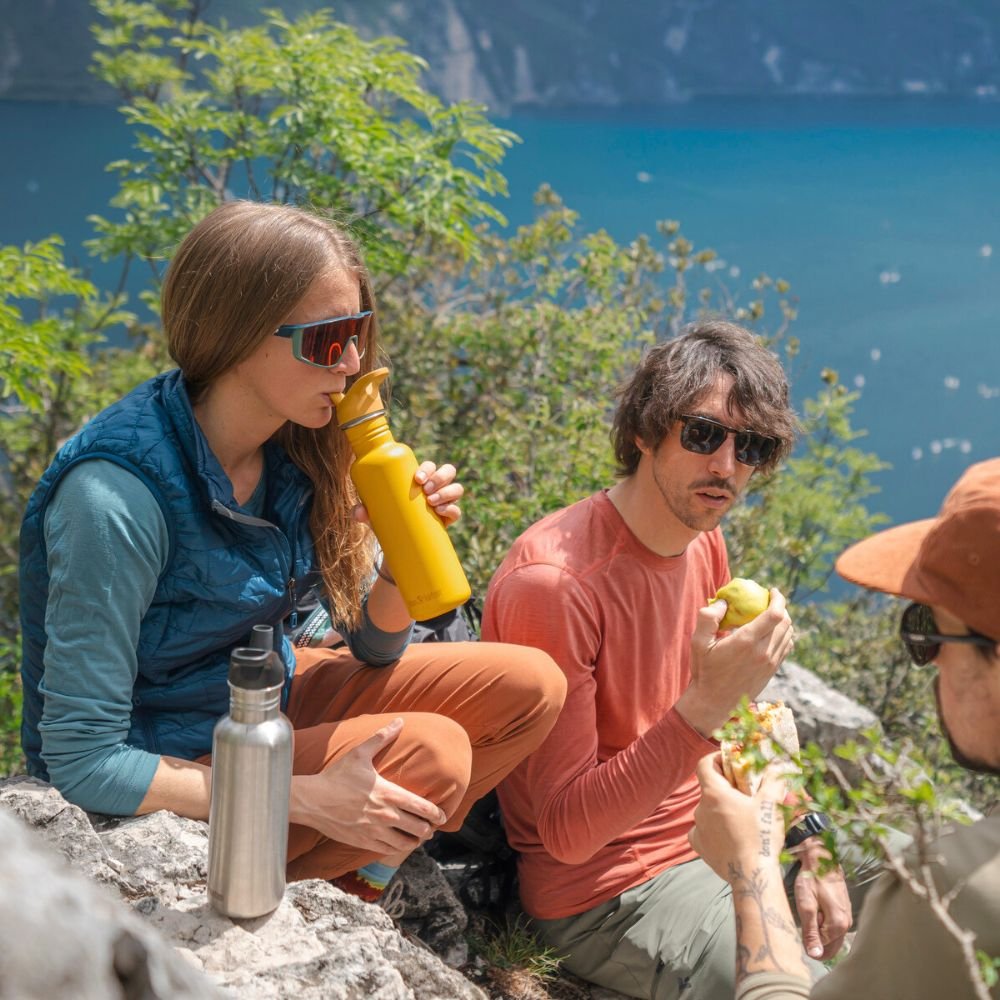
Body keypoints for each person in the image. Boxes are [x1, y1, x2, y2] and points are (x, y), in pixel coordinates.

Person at [19, 199, 566, 901]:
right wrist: (305, 797)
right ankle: (338, 888)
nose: (351, 361)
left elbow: (372, 650)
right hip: (165, 761)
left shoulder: (295, 453)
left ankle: (341, 872)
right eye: (325, 338)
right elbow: (82, 760)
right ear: (236, 332)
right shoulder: (115, 498)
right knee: (432, 753)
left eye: (359, 332)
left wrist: (401, 561)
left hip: (258, 702)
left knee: (532, 687)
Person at [481, 320, 852, 1000]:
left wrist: (807, 837)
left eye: (754, 448)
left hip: (721, 838)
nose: (727, 467)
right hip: (612, 891)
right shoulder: (557, 586)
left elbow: (738, 716)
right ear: (645, 432)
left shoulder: (701, 543)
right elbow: (566, 832)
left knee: (915, 914)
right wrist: (704, 707)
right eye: (705, 435)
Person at [690, 457, 1000, 1000]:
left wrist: (753, 870)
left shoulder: (959, 891)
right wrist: (808, 831)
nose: (927, 664)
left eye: (927, 631)